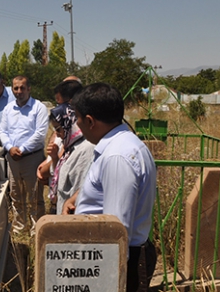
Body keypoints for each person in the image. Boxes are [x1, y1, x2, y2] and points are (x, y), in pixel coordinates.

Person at [64, 83, 157, 292]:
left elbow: (116, 232)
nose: (77, 125)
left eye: (78, 119)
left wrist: (105, 280)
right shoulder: (120, 145)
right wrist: (78, 199)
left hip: (116, 263)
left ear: (90, 121)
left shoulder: (117, 157)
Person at [0, 75, 48, 234]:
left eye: (22, 88)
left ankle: (37, 229)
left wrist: (22, 149)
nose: (19, 91)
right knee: (16, 194)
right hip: (13, 158)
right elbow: (3, 131)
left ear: (29, 89)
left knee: (35, 196)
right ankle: (20, 227)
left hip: (32, 157)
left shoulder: (38, 108)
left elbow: (40, 133)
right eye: (15, 88)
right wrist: (10, 147)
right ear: (12, 89)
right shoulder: (8, 108)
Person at [45, 103, 94, 214]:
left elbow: (79, 189)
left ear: (69, 124)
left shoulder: (85, 149)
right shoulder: (70, 146)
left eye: (58, 129)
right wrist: (54, 158)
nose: (57, 135)